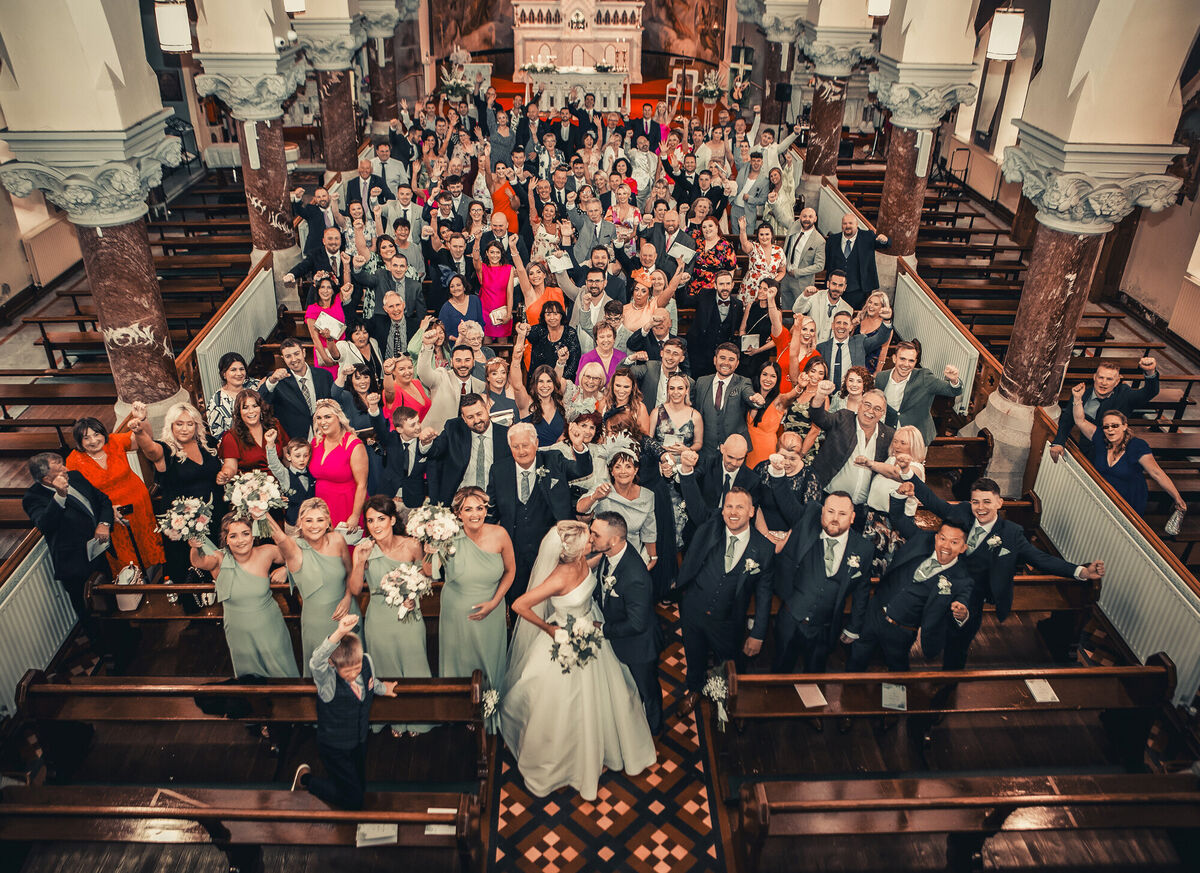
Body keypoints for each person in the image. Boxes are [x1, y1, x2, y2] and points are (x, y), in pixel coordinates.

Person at [499, 522, 657, 800]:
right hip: (566, 636)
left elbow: (599, 564)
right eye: (588, 540)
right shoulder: (559, 577)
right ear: (571, 549)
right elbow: (519, 605)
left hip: (592, 629)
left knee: (604, 697)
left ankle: (603, 748)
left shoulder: (585, 559)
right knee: (562, 705)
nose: (592, 542)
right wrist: (549, 629)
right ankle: (564, 760)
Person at [898, 475, 1106, 670]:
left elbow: (1040, 559)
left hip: (971, 600)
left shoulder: (1011, 534)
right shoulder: (961, 512)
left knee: (958, 645)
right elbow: (934, 502)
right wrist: (908, 474)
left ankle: (948, 683)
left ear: (999, 503)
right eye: (976, 502)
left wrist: (1081, 571)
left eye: (987, 502)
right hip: (938, 586)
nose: (980, 508)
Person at [672, 482, 775, 717]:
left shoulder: (764, 549)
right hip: (694, 610)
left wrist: (758, 633)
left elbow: (764, 593)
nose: (733, 512)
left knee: (728, 662)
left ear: (752, 511)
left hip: (728, 619)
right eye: (728, 506)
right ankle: (695, 690)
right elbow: (696, 507)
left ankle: (726, 699)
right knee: (694, 655)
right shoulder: (710, 528)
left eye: (740, 507)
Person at [291, 614, 398, 809]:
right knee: (353, 799)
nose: (353, 673)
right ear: (334, 665)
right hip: (334, 746)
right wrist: (339, 632)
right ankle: (306, 781)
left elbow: (371, 683)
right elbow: (316, 662)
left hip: (359, 740)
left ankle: (346, 793)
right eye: (347, 671)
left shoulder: (365, 662)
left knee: (358, 785)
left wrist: (384, 689)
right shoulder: (329, 683)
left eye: (356, 668)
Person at [766, 487, 874, 674]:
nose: (835, 518)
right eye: (830, 511)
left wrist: (854, 627)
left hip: (825, 627)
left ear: (852, 517)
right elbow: (786, 502)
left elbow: (862, 590)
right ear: (822, 512)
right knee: (780, 671)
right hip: (791, 619)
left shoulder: (863, 549)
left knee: (815, 676)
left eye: (842, 513)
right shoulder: (806, 529)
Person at [349, 496, 432, 736]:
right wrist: (360, 562)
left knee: (414, 663)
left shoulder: (411, 545)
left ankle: (416, 719)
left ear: (393, 519)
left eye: (381, 519)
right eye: (371, 520)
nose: (376, 525)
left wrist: (414, 594)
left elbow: (428, 577)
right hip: (379, 618)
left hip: (409, 615)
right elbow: (355, 590)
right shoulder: (364, 549)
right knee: (385, 666)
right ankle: (392, 717)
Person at [188, 512, 300, 678]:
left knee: (283, 674)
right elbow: (198, 562)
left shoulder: (266, 552)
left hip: (270, 627)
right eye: (233, 536)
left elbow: (295, 555)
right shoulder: (219, 559)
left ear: (253, 535)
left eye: (245, 534)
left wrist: (286, 569)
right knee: (250, 681)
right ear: (226, 539)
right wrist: (195, 547)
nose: (240, 540)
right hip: (238, 631)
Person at [589, 512, 663, 735]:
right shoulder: (612, 553)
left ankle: (654, 731)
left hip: (638, 647)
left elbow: (637, 624)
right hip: (621, 640)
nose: (591, 538)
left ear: (613, 540)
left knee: (646, 692)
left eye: (595, 535)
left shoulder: (635, 577)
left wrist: (602, 629)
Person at [487, 423, 577, 603]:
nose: (521, 451)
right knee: (517, 600)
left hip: (550, 549)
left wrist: (579, 447)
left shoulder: (553, 460)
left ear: (536, 443)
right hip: (514, 551)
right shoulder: (499, 470)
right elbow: (491, 512)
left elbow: (582, 470)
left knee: (550, 600)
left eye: (525, 445)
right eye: (515, 446)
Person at [132, 402, 221, 584]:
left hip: (215, 513)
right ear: (171, 425)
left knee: (217, 563)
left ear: (196, 425)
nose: (185, 429)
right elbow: (150, 450)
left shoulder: (208, 443)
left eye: (190, 424)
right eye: (179, 424)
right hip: (184, 523)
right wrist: (140, 431)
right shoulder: (167, 450)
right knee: (190, 568)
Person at [265, 500, 357, 676]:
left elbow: (349, 572)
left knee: (352, 671)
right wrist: (260, 511)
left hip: (347, 613)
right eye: (308, 520)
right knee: (322, 673)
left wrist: (347, 598)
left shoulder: (338, 540)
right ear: (300, 522)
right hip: (317, 621)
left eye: (320, 520)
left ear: (328, 522)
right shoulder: (294, 547)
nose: (314, 526)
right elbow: (279, 536)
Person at [67, 414, 165, 577]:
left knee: (146, 541)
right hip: (112, 513)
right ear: (80, 441)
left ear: (103, 434)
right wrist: (106, 512)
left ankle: (156, 576)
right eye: (86, 438)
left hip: (138, 504)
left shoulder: (115, 442)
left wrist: (142, 419)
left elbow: (143, 438)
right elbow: (80, 495)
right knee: (123, 551)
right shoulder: (73, 461)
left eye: (96, 434)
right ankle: (134, 583)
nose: (93, 440)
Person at [23, 452, 114, 627]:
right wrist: (60, 496)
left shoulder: (75, 476)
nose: (66, 469)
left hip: (98, 552)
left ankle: (127, 639)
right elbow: (45, 525)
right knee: (90, 614)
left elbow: (102, 500)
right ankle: (105, 651)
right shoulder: (33, 498)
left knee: (109, 600)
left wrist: (104, 523)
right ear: (47, 479)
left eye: (63, 465)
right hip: (75, 564)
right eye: (60, 470)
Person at [441, 487, 515, 691]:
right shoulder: (446, 536)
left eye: (480, 508)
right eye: (468, 509)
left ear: (486, 510)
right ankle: (459, 715)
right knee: (460, 663)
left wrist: (494, 603)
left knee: (489, 662)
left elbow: (510, 571)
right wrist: (430, 549)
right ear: (458, 513)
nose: (475, 514)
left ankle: (489, 709)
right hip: (456, 614)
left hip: (491, 611)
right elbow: (430, 572)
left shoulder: (500, 534)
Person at [1073, 404, 1187, 518]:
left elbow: (1156, 473)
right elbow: (1080, 421)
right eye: (1106, 427)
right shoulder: (1100, 438)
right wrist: (1077, 399)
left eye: (1115, 425)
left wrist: (1177, 497)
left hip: (1129, 498)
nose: (1110, 429)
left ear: (1124, 426)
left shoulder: (1137, 446)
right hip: (1105, 494)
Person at [1051, 358, 1161, 461]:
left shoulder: (1125, 395)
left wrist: (1150, 372)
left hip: (1112, 454)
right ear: (1095, 377)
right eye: (1101, 377)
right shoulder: (1082, 394)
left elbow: (1149, 392)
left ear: (1117, 381)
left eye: (1109, 379)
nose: (1104, 383)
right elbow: (1067, 420)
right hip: (1085, 451)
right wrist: (1058, 443)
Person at [807, 384, 895, 506]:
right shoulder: (843, 419)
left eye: (877, 408)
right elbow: (819, 417)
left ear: (883, 413)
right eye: (867, 405)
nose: (870, 411)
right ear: (860, 404)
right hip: (827, 499)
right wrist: (820, 395)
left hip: (861, 508)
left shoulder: (888, 435)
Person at [420, 393, 512, 506]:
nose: (477, 420)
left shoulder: (505, 435)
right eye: (470, 417)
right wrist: (426, 442)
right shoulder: (453, 429)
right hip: (461, 501)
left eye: (479, 414)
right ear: (463, 418)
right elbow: (435, 451)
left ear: (487, 409)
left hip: (495, 501)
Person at [577, 444, 658, 569]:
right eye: (618, 467)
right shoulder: (603, 487)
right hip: (601, 552)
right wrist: (595, 497)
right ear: (612, 471)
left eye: (628, 466)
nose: (623, 471)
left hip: (631, 554)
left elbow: (649, 532)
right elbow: (580, 508)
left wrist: (652, 558)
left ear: (635, 470)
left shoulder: (648, 496)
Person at [878, 342, 962, 446]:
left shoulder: (924, 377)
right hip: (890, 437)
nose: (906, 364)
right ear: (894, 358)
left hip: (916, 440)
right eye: (902, 359)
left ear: (915, 362)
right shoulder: (881, 378)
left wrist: (954, 381)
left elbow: (953, 390)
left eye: (911, 361)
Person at [691, 343, 766, 456]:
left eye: (731, 359)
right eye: (722, 358)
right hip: (705, 450)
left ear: (737, 364)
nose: (726, 363)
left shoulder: (743, 382)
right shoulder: (701, 382)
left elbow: (749, 396)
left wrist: (757, 400)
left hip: (734, 451)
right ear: (715, 360)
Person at [309, 399, 369, 533]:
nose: (322, 422)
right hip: (322, 507)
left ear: (339, 418)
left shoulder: (353, 445)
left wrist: (355, 516)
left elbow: (362, 485)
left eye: (327, 417)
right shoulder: (316, 442)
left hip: (346, 506)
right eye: (319, 418)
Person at [261, 338, 334, 443]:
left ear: (303, 352)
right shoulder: (278, 380)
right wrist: (272, 380)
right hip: (295, 442)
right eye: (288, 356)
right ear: (283, 358)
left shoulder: (324, 375)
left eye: (296, 353)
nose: (294, 359)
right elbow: (260, 400)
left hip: (325, 436)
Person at [417, 341, 488, 433]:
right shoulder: (441, 376)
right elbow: (423, 372)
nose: (463, 364)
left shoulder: (480, 385)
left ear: (473, 362)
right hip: (436, 436)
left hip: (466, 439)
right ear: (451, 362)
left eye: (467, 360)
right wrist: (427, 346)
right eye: (458, 360)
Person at [823, 213, 889, 309]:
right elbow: (828, 261)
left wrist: (885, 240)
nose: (847, 226)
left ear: (856, 224)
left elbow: (885, 245)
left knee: (856, 315)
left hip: (859, 289)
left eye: (850, 223)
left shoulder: (867, 236)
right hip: (836, 288)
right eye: (844, 223)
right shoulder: (833, 239)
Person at [816, 308, 893, 390]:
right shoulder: (822, 348)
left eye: (845, 323)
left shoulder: (860, 342)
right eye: (838, 323)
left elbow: (879, 339)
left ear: (851, 327)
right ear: (832, 326)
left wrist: (887, 320)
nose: (841, 326)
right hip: (827, 394)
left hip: (852, 394)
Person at [747, 361, 803, 468]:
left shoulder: (779, 400)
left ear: (777, 379)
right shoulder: (750, 395)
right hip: (746, 452)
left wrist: (799, 387)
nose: (768, 379)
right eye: (765, 374)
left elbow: (789, 396)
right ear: (759, 375)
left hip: (766, 453)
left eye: (773, 376)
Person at [687, 271, 743, 378]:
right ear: (715, 285)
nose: (725, 287)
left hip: (722, 357)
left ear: (732, 285)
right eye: (721, 284)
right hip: (700, 352)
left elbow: (739, 327)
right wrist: (681, 284)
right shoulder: (704, 295)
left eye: (727, 284)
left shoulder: (738, 305)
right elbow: (685, 301)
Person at [206, 352, 261, 439]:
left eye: (242, 369)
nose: (239, 374)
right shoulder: (216, 402)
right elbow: (218, 436)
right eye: (233, 370)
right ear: (224, 374)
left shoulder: (255, 386)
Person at [780, 207, 825, 310]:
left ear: (815, 219)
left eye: (810, 216)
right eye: (804, 216)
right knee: (785, 309)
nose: (807, 219)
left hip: (802, 282)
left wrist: (798, 272)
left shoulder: (819, 240)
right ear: (800, 217)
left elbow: (819, 265)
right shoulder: (794, 228)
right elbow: (780, 215)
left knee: (800, 312)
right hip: (786, 278)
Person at [793, 271, 853, 344]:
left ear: (844, 287)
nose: (836, 288)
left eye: (840, 285)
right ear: (828, 284)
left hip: (831, 349)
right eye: (834, 284)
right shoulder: (815, 296)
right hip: (809, 345)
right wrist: (805, 295)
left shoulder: (848, 309)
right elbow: (797, 310)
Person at [473, 237, 516, 338]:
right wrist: (477, 240)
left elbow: (510, 293)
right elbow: (475, 258)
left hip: (502, 312)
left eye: (498, 252)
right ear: (487, 253)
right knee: (486, 344)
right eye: (492, 252)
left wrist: (508, 315)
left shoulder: (509, 269)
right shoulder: (482, 268)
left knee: (503, 345)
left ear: (501, 254)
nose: (495, 255)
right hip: (485, 313)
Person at [305, 276, 347, 378]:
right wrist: (325, 358)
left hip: (341, 350)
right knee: (327, 382)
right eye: (322, 287)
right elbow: (315, 338)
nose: (325, 291)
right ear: (318, 290)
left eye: (329, 287)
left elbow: (348, 286)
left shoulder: (337, 300)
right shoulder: (312, 309)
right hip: (324, 352)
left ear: (333, 291)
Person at [737, 220, 785, 306]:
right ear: (758, 236)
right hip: (752, 285)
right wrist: (743, 230)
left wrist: (773, 282)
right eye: (761, 234)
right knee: (748, 311)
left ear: (772, 235)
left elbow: (782, 271)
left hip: (769, 287)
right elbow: (744, 244)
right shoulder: (754, 247)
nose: (764, 237)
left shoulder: (779, 250)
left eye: (767, 234)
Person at [382, 354, 432, 423]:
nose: (407, 372)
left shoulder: (417, 383)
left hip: (425, 430)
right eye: (401, 369)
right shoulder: (393, 389)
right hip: (404, 433)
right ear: (393, 372)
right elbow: (389, 391)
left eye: (410, 368)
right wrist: (387, 373)